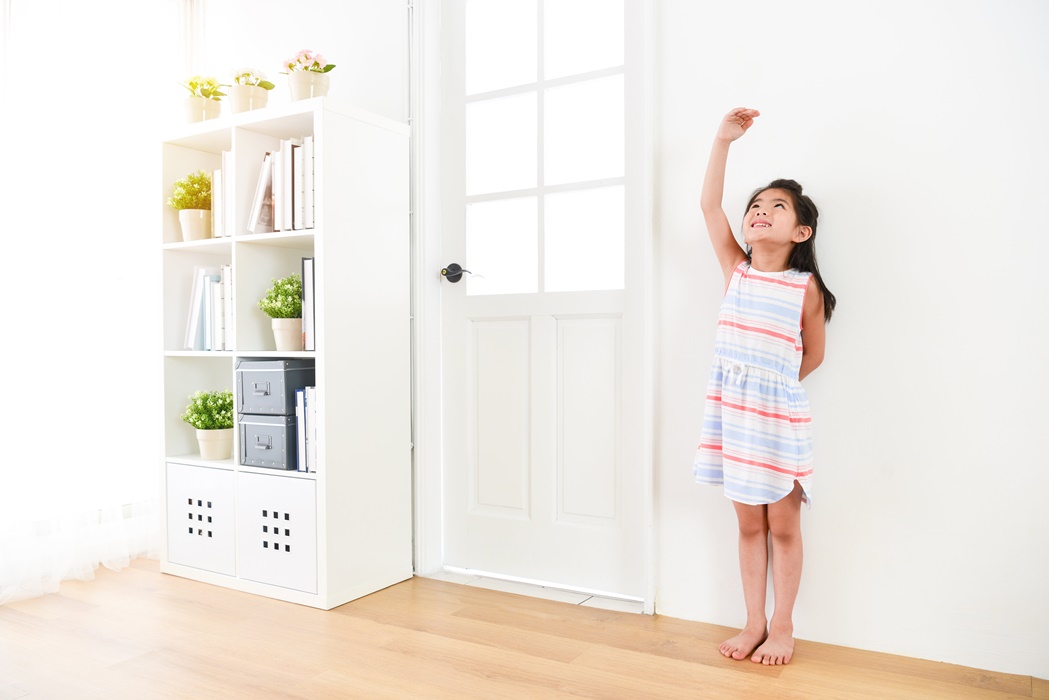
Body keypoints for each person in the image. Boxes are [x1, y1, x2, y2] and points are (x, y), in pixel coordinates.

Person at [692, 107, 836, 666]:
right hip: (733, 419)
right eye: (756, 205)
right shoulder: (737, 272)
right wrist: (722, 141)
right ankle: (752, 621)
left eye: (777, 207)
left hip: (778, 422)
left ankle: (783, 626)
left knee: (783, 526)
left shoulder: (805, 289)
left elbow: (815, 354)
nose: (759, 212)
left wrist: (773, 390)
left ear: (800, 231)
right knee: (749, 525)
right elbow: (708, 206)